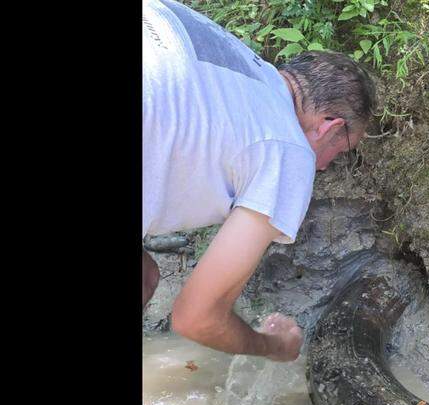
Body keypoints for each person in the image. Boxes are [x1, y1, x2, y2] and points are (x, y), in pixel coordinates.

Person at [142, 0, 375, 361]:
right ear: (331, 127)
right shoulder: (289, 149)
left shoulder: (236, 68)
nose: (326, 167)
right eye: (341, 152)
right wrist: (274, 347)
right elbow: (196, 317)